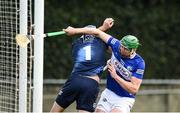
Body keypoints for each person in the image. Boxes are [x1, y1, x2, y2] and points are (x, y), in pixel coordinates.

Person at [64, 21, 145, 113]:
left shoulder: (139, 63)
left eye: (125, 49)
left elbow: (134, 89)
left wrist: (116, 76)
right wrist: (74, 31)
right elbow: (96, 32)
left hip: (125, 98)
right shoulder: (116, 45)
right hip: (109, 93)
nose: (121, 49)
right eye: (121, 46)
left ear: (133, 50)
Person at [50, 18, 114, 113]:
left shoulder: (76, 44)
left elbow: (90, 35)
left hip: (75, 81)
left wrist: (74, 31)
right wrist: (103, 29)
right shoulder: (101, 42)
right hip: (91, 84)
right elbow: (113, 48)